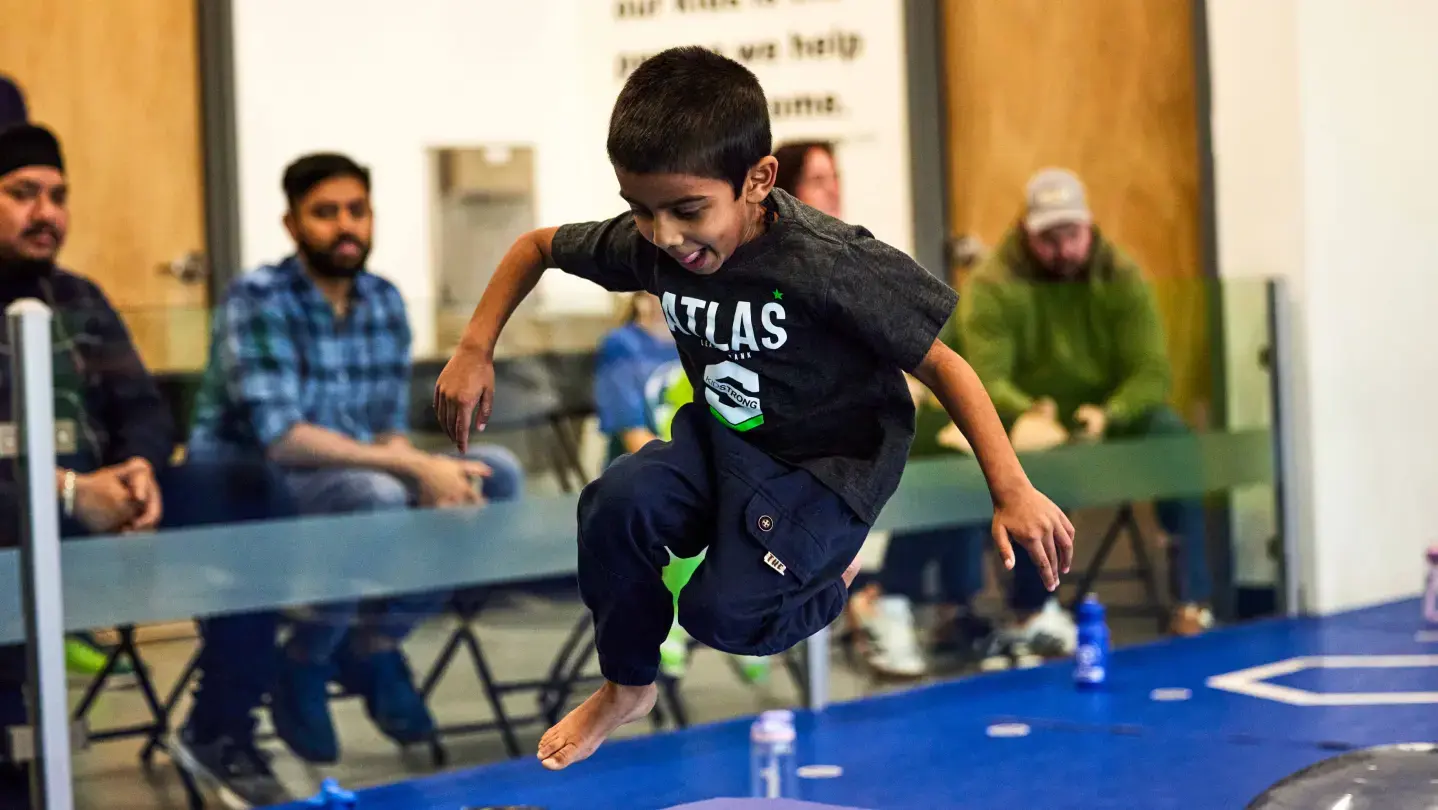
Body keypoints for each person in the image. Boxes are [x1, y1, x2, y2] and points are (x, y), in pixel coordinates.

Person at [433, 46, 1074, 771]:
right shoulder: (656, 244)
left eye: (687, 211)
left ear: (759, 180)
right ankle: (628, 686)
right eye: (639, 211)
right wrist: (475, 346)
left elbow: (944, 365)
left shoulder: (828, 261)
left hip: (830, 469)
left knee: (718, 614)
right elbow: (536, 246)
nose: (664, 237)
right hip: (732, 442)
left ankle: (832, 580)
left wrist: (1012, 488)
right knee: (614, 504)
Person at [187, 152, 525, 765]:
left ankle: (371, 642)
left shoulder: (383, 300)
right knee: (378, 493)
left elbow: (385, 430)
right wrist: (415, 468)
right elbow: (283, 438)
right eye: (325, 213)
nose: (346, 226)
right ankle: (307, 656)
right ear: (291, 225)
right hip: (256, 485)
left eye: (356, 211)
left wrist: (432, 469)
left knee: (494, 473)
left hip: (359, 475)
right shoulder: (257, 298)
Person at [0, 122, 298, 807]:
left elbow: (143, 403)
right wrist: (68, 491)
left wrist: (137, 465)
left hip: (108, 505)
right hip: (17, 513)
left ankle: (222, 724)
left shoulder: (78, 298)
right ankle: (16, 759)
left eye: (58, 195)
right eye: (22, 193)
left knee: (248, 487)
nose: (46, 213)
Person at [959, 167, 1214, 637]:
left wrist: (1112, 413)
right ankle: (1031, 611)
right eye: (1048, 238)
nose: (1063, 250)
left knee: (1174, 437)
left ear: (1090, 227)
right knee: (1036, 456)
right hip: (1034, 419)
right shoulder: (992, 282)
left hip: (1110, 413)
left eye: (1071, 234)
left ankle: (1191, 598)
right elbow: (986, 378)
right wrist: (1029, 412)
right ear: (1025, 232)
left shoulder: (1121, 274)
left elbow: (1151, 371)